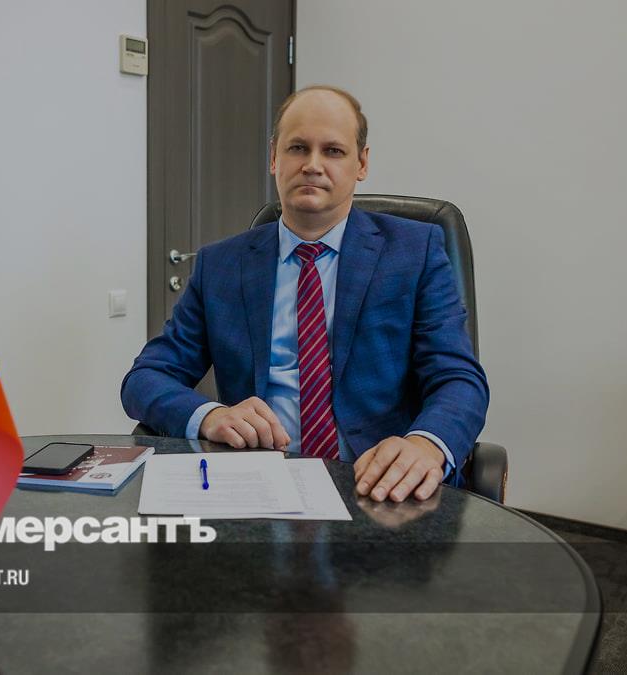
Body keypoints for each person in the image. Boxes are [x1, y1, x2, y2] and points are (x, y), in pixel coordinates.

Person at [121, 85, 488, 502]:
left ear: (362, 163)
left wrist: (425, 444)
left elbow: (459, 379)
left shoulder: (414, 251)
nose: (313, 165)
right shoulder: (221, 265)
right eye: (298, 148)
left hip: (378, 485)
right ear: (274, 157)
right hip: (260, 483)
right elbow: (145, 378)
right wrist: (209, 416)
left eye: (333, 151)